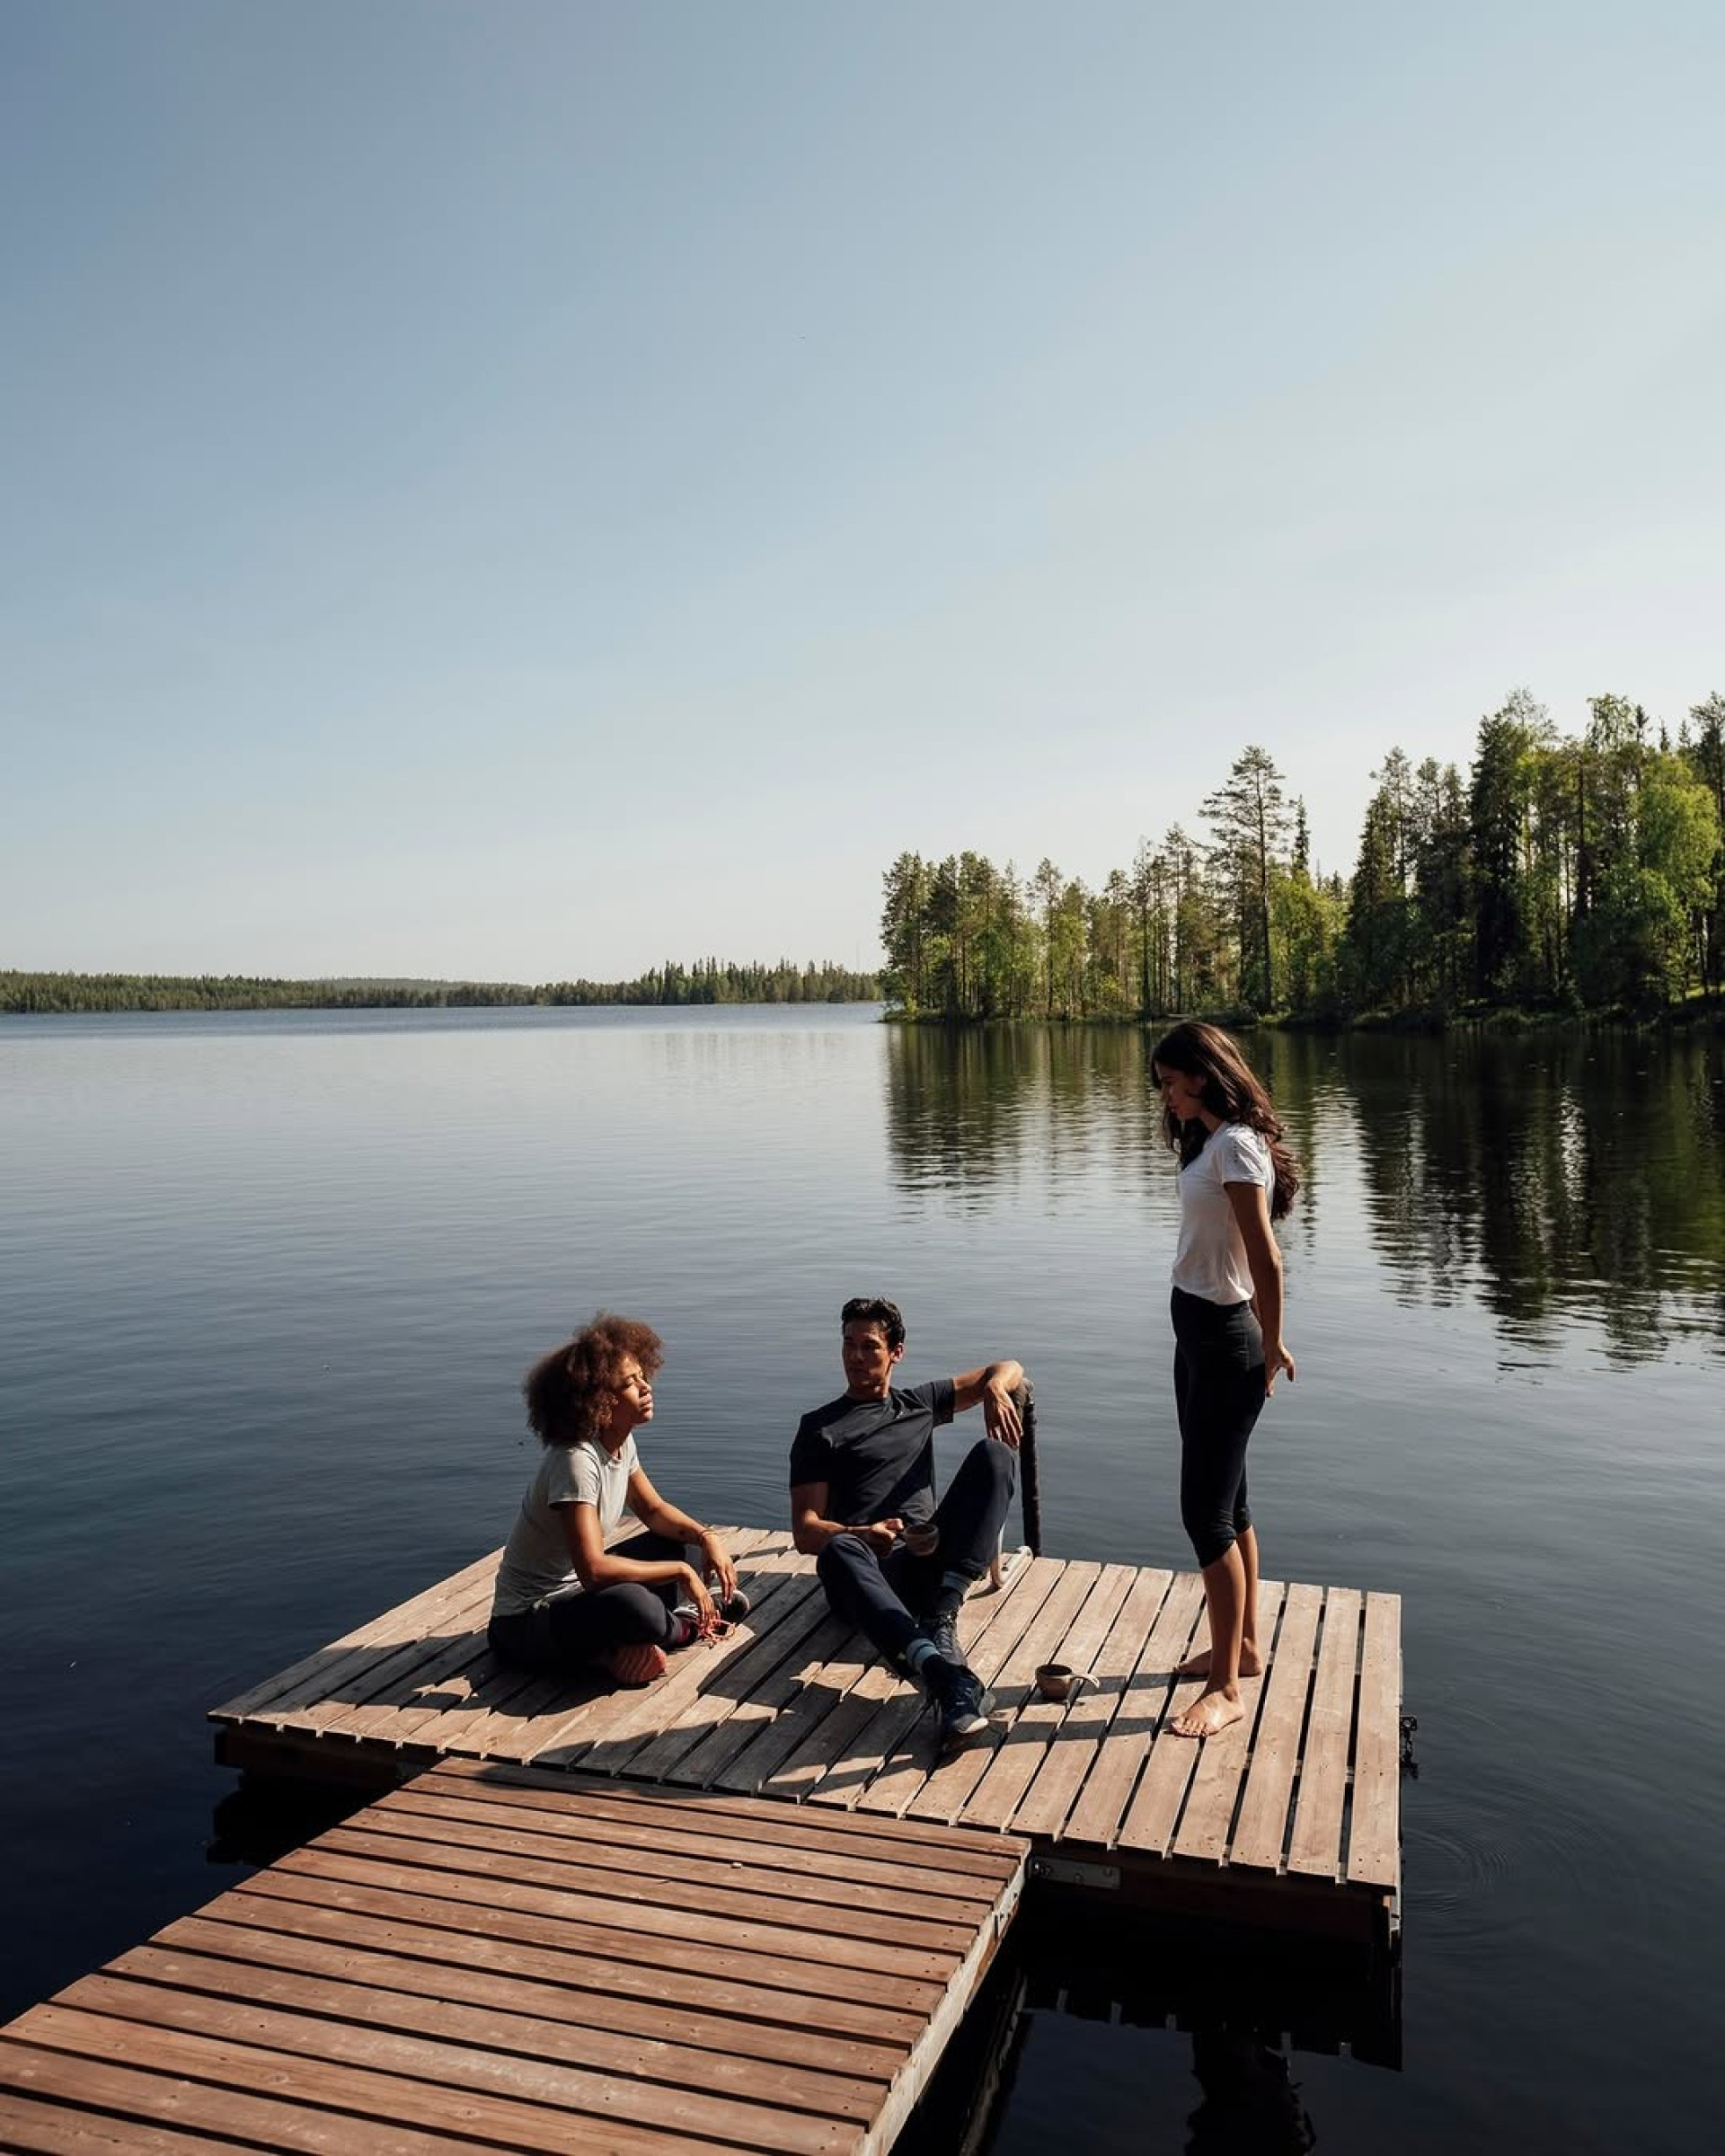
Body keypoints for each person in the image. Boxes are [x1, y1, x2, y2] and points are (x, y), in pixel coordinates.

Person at [1150, 1022, 1301, 1740]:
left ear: (1203, 1077)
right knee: (1231, 1502)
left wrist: (1270, 1347)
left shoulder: (1236, 1145)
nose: (1167, 1096)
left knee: (1203, 1512)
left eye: (1173, 1083)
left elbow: (1266, 1260)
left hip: (1226, 1340)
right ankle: (1241, 1646)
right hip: (1198, 1333)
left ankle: (1226, 1690)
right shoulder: (1215, 1141)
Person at [790, 1295, 1025, 1754]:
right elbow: (805, 1531)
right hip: (864, 1574)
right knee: (840, 1549)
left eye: (870, 1346)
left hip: (927, 1560)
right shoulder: (819, 1429)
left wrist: (996, 1390)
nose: (856, 1357)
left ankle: (943, 1608)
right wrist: (863, 1534)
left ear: (897, 1351)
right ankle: (942, 1673)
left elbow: (1008, 1365)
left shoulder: (920, 1404)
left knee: (995, 1456)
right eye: (848, 1345)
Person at [488, 1312, 746, 1688]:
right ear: (600, 1401)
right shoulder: (575, 1460)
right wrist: (680, 1573)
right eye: (630, 1382)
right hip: (525, 1625)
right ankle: (686, 1627)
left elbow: (653, 1511)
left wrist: (706, 1537)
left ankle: (621, 1650)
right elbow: (593, 1570)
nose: (645, 1387)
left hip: (579, 1600)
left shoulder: (620, 1442)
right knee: (634, 1605)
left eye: (643, 1375)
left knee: (679, 1545)